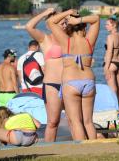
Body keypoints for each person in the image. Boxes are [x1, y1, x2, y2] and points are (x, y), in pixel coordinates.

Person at [47, 10, 100, 141]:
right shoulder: (89, 41)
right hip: (88, 81)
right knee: (88, 122)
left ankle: (81, 151)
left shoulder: (65, 41)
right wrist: (78, 20)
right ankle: (95, 148)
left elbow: (50, 22)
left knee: (76, 121)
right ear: (84, 27)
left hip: (71, 82)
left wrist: (68, 12)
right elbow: (96, 18)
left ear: (69, 27)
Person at [26, 8, 66, 142]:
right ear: (51, 23)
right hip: (52, 84)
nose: (65, 25)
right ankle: (50, 148)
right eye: (61, 22)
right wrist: (45, 13)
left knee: (75, 119)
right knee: (53, 122)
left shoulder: (69, 38)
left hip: (69, 83)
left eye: (66, 22)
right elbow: (29, 26)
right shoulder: (45, 39)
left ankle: (79, 147)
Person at [103, 14, 119, 117]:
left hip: (111, 63)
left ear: (114, 25)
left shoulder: (110, 37)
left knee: (112, 91)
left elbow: (109, 53)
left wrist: (106, 68)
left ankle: (116, 116)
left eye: (107, 24)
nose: (105, 26)